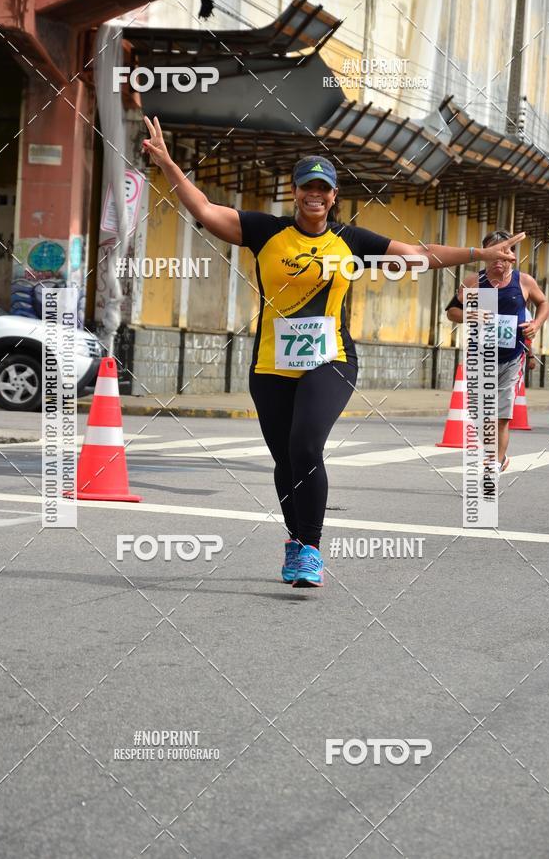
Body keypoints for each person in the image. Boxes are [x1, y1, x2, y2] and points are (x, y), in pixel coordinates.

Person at [142, 116, 525, 587]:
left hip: (332, 360)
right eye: (307, 187)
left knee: (306, 445)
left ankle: (312, 548)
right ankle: (295, 542)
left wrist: (479, 256)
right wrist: (166, 163)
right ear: (296, 191)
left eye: (323, 188)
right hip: (270, 365)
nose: (315, 195)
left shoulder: (352, 241)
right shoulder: (266, 231)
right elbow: (203, 208)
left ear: (334, 194)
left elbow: (418, 254)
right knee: (286, 460)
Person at [445, 230, 549, 472]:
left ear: (512, 256)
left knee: (501, 415)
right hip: (480, 357)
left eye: (507, 252)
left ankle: (495, 461)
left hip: (513, 358)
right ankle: (494, 454)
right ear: (486, 255)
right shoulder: (473, 282)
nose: (501, 258)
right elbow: (451, 312)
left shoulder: (524, 282)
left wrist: (536, 324)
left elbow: (544, 302)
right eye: (496, 253)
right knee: (480, 413)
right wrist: (471, 314)